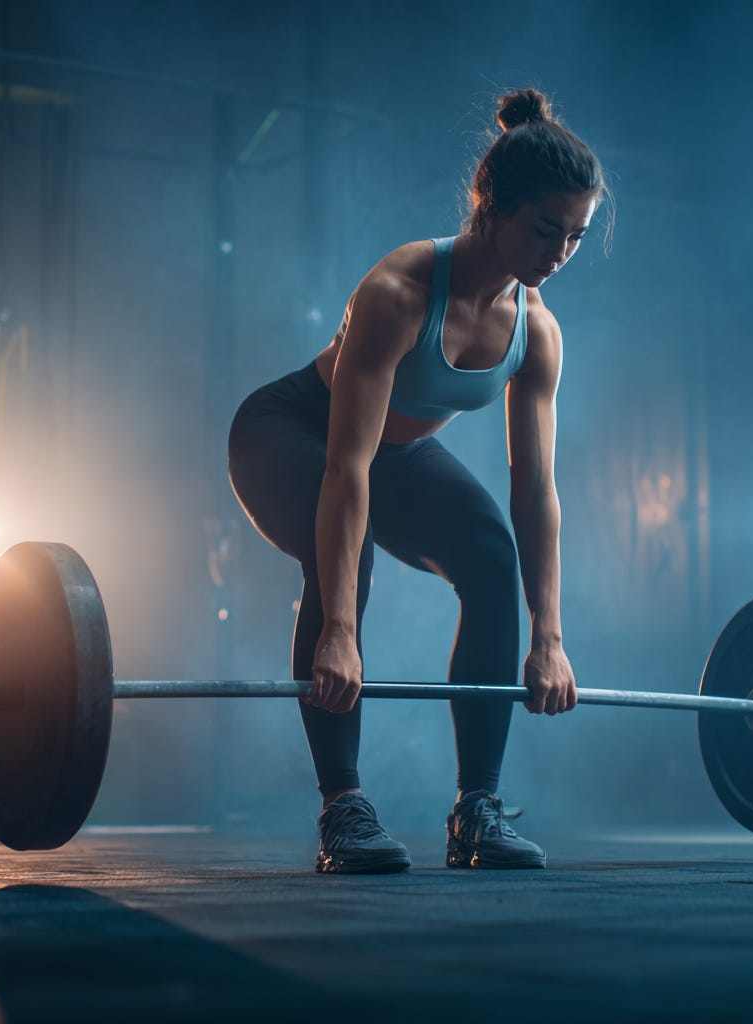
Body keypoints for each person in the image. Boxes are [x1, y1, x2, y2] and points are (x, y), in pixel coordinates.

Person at [228, 88, 609, 874]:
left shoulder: (536, 332)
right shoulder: (400, 292)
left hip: (392, 457)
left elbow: (536, 490)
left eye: (575, 235)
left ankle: (478, 809)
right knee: (346, 559)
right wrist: (337, 629)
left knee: (491, 557)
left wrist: (550, 638)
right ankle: (343, 808)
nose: (557, 253)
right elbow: (345, 465)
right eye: (545, 229)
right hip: (292, 433)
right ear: (492, 206)